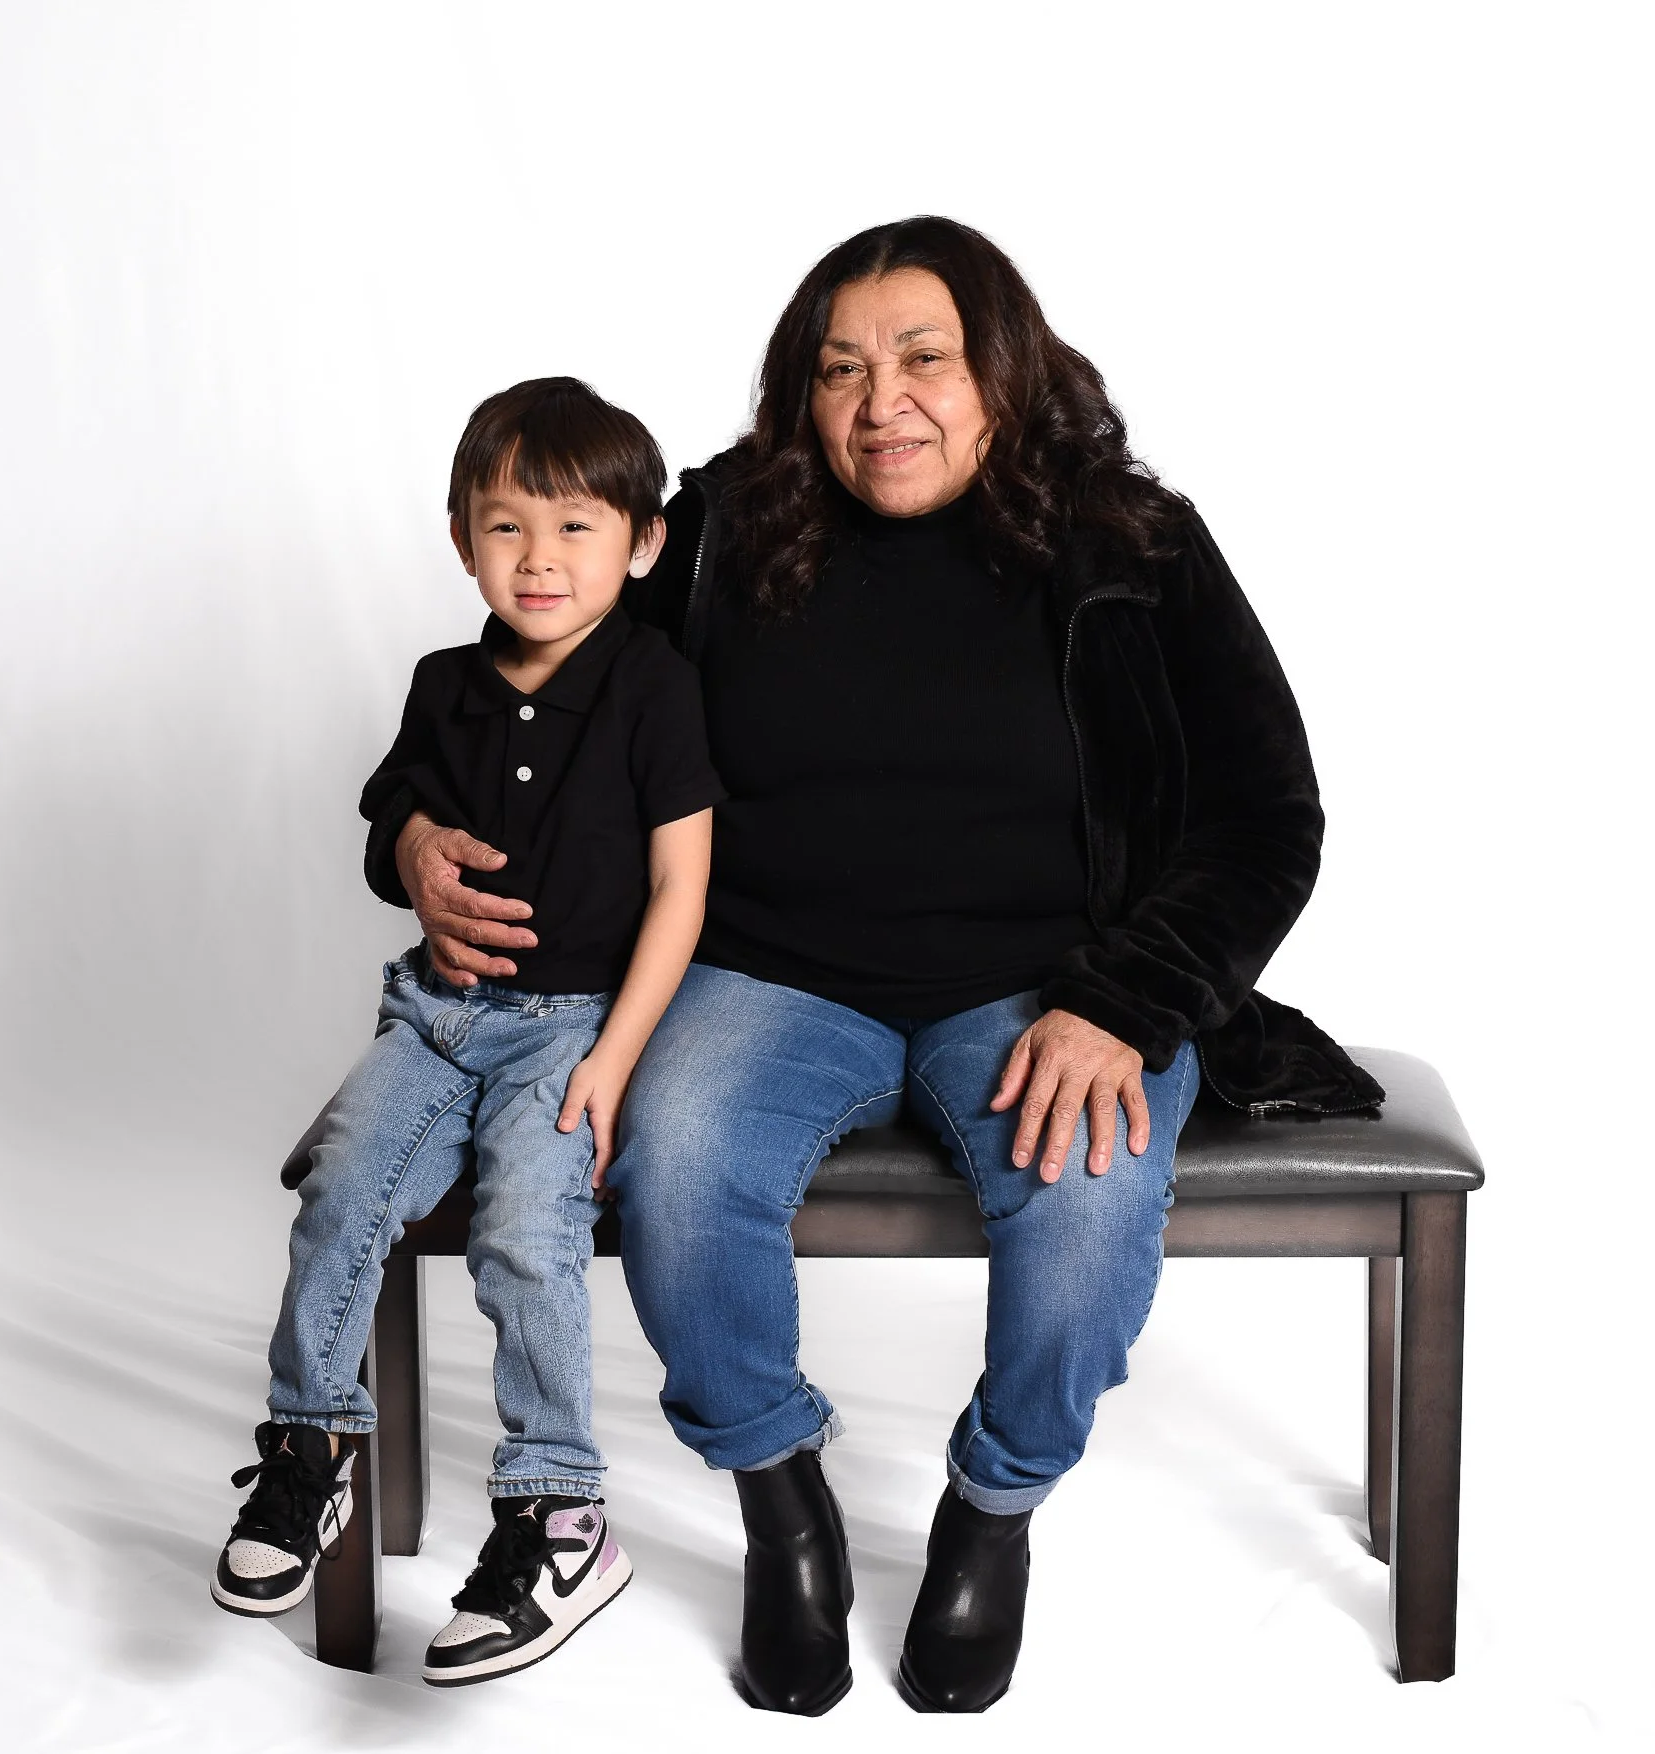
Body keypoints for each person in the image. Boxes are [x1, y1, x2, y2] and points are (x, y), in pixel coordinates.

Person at [388, 219, 1385, 1715]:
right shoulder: (723, 529)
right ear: (804, 390)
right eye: (842, 368)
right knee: (675, 1165)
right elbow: (546, 688)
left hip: (1055, 983)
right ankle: (782, 1501)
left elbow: (1268, 813)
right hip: (774, 971)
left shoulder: (1134, 542)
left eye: (924, 359)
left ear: (1004, 369)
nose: (882, 401)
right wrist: (406, 828)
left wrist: (1125, 1001)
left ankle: (993, 1513)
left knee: (1091, 1193)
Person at [212, 377, 724, 1688]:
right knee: (340, 1191)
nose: (539, 560)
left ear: (642, 543)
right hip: (435, 1018)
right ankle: (313, 1446)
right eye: (507, 528)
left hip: (571, 1030)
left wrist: (615, 1059)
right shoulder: (445, 684)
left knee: (522, 1230)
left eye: (574, 528)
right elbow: (393, 831)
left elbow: (683, 889)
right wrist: (415, 841)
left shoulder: (655, 686)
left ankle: (560, 1506)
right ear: (461, 541)